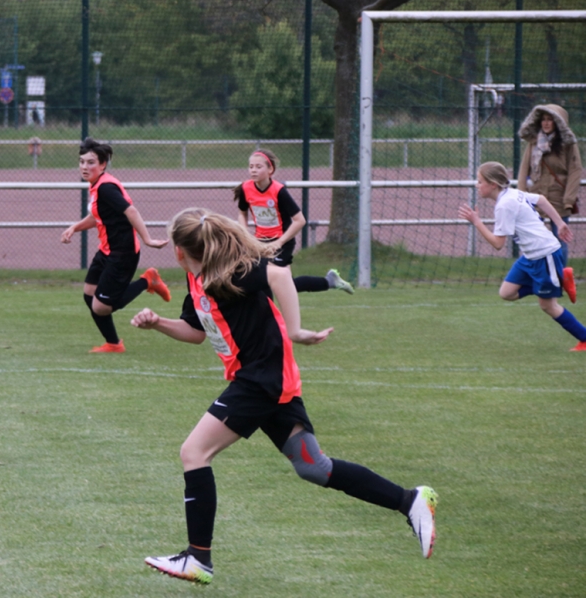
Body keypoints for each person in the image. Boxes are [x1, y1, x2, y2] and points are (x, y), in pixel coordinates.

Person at [131, 208, 438, 584]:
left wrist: (295, 330)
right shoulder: (197, 278)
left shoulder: (233, 271)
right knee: (314, 467)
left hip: (261, 380)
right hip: (267, 380)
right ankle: (410, 501)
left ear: (180, 250)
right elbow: (196, 331)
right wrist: (158, 323)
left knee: (194, 453)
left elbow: (278, 274)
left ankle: (198, 559)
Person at [459, 162, 585, 352]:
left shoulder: (504, 205)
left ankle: (584, 338)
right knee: (507, 293)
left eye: (480, 181)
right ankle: (559, 279)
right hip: (530, 256)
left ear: (493, 184)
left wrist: (477, 222)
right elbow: (541, 199)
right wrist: (559, 223)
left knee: (548, 306)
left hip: (545, 254)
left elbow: (498, 244)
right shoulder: (511, 194)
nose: (477, 185)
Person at [61, 138, 171, 352]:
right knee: (89, 294)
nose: (84, 167)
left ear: (103, 164)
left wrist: (148, 239)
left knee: (101, 307)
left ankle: (148, 280)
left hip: (122, 253)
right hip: (107, 250)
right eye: (82, 162)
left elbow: (131, 211)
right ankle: (113, 344)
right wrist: (75, 227)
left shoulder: (106, 188)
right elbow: (98, 217)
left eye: (91, 162)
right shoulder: (97, 185)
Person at [234, 149, 354, 295]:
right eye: (251, 166)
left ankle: (328, 282)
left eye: (258, 167)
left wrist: (279, 242)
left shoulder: (279, 191)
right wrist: (245, 234)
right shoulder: (246, 188)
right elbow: (242, 212)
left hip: (282, 241)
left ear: (270, 169)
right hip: (260, 241)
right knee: (282, 285)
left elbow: (300, 220)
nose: (253, 170)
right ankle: (330, 281)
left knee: (268, 279)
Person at [517, 104, 582, 263]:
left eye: (550, 120)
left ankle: (560, 275)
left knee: (560, 240)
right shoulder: (533, 142)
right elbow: (524, 170)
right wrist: (521, 196)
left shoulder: (568, 145)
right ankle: (537, 273)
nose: (546, 123)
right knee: (534, 239)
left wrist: (568, 199)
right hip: (536, 196)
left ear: (558, 122)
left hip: (558, 198)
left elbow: (575, 170)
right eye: (543, 119)